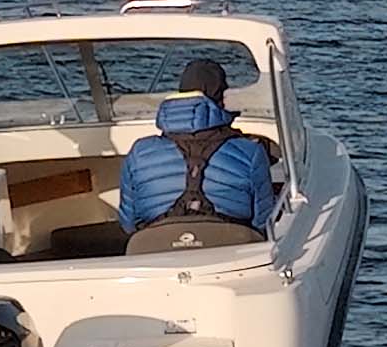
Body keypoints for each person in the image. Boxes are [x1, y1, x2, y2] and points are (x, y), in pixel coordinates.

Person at [118, 59, 276, 239]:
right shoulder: (251, 152)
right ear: (221, 100)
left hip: (156, 248)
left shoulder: (139, 153)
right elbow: (264, 221)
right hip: (229, 247)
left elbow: (128, 223)